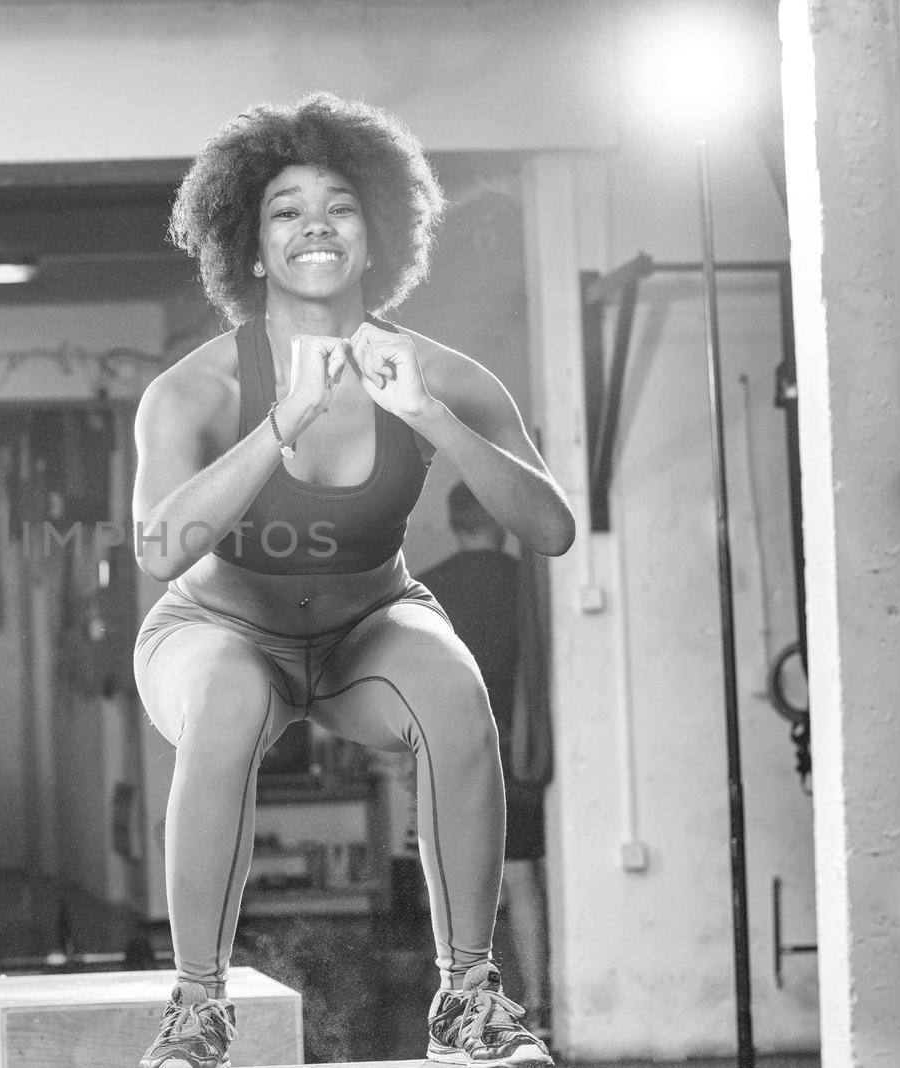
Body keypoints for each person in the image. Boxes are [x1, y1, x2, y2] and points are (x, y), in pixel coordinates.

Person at [130, 92, 574, 1068]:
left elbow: (549, 527)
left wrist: (429, 418)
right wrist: (280, 421)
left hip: (369, 625)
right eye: (285, 208)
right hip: (216, 625)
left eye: (337, 203)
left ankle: (467, 999)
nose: (315, 223)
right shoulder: (194, 389)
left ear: (375, 237)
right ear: (248, 248)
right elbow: (160, 549)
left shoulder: (441, 373)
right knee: (232, 697)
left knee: (455, 690)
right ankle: (197, 1010)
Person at [417, 482, 552, 1039]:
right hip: (517, 747)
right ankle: (540, 1008)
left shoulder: (427, 587)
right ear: (497, 522)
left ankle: (462, 1007)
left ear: (453, 522)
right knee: (522, 876)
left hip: (450, 747)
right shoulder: (525, 583)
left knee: (452, 879)